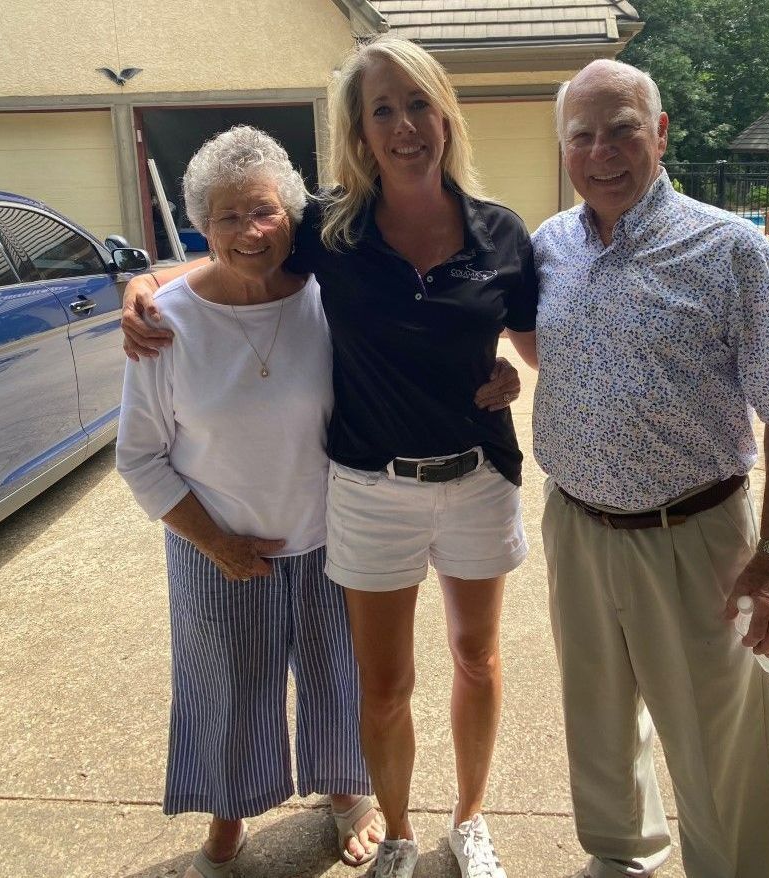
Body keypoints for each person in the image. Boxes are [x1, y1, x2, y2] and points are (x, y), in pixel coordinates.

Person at [122, 36, 538, 878]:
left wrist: (502, 372)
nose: (403, 124)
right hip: (366, 492)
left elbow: (528, 340)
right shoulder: (336, 231)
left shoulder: (490, 233)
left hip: (453, 483)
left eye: (416, 103)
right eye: (381, 109)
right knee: (336, 688)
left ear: (444, 111)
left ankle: (435, 813)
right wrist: (146, 287)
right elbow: (241, 234)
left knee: (433, 665)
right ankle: (366, 828)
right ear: (359, 130)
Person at [530, 60, 769, 878]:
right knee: (598, 715)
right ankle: (621, 853)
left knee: (713, 737)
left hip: (693, 536)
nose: (602, 152)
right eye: (582, 135)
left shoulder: (730, 251)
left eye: (621, 127)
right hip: (575, 524)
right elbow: (542, 340)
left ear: (658, 133)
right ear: (565, 148)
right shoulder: (552, 243)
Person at [115, 126, 385, 878]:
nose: (250, 231)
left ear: (292, 217)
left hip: (332, 538)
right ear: (202, 225)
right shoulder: (164, 322)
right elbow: (137, 455)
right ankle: (227, 814)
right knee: (225, 690)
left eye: (264, 211)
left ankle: (345, 793)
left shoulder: (333, 302)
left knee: (342, 678)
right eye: (228, 217)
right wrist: (217, 543)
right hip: (216, 546)